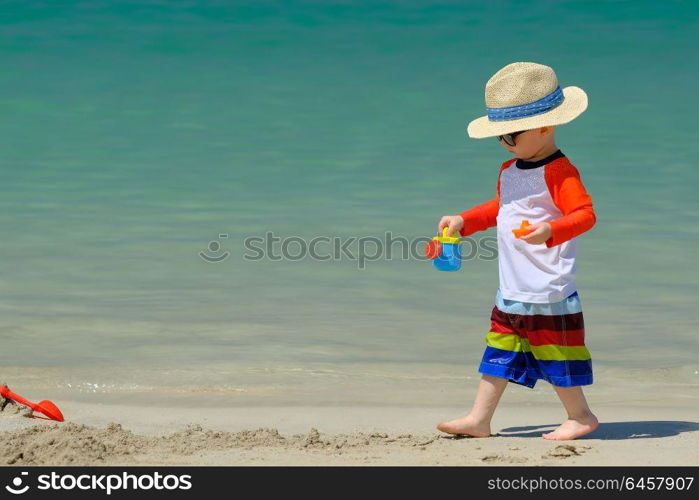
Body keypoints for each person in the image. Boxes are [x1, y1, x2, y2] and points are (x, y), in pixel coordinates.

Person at [436, 62, 599, 440]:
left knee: (556, 353)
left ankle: (581, 416)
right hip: (512, 287)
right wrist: (464, 220)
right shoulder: (510, 170)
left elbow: (585, 215)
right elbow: (501, 209)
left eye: (510, 136)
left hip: (547, 288)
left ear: (544, 127)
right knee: (498, 352)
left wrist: (551, 230)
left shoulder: (560, 172)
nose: (505, 144)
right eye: (501, 138)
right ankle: (480, 419)